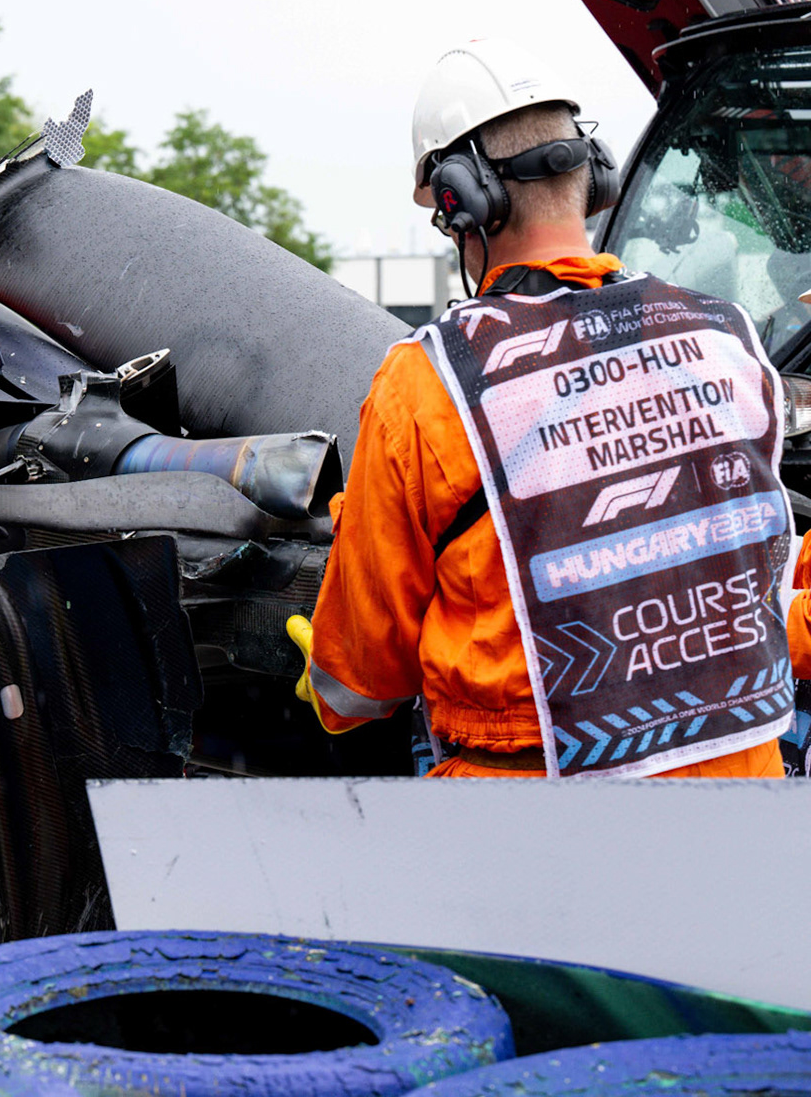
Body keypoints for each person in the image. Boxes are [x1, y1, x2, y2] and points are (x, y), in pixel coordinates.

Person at [291, 39, 800, 778]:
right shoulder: (727, 338)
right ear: (592, 175)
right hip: (742, 803)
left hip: (533, 827)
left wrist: (330, 675)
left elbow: (361, 682)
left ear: (461, 200)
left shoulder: (431, 383)